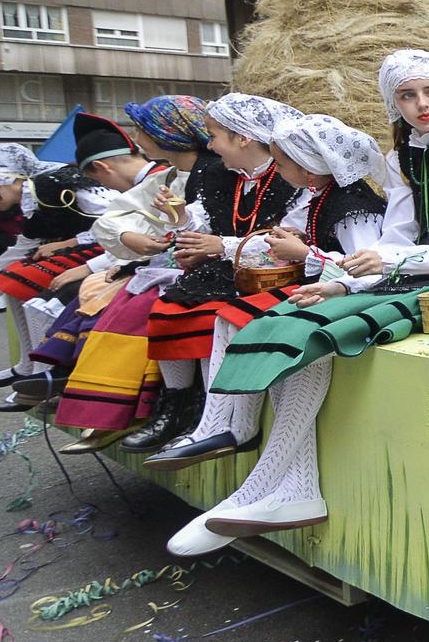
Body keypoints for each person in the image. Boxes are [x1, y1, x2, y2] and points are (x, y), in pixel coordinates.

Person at [197, 51, 429, 413]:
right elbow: (396, 236)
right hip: (415, 267)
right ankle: (226, 425)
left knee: (324, 330)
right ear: (393, 103)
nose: (422, 104)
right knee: (287, 318)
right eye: (407, 95)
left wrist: (384, 262)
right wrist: (342, 283)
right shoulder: (399, 158)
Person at [161, 114, 395, 555]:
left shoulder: (352, 206)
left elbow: (367, 268)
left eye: (283, 163)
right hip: (331, 286)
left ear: (308, 167)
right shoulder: (320, 197)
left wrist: (304, 253)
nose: (278, 171)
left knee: (291, 337)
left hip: (363, 291)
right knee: (240, 319)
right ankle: (246, 446)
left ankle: (265, 484)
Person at [137, 94, 303, 463]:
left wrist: (221, 245)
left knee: (211, 316)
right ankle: (178, 405)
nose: (209, 145)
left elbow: (291, 240)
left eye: (214, 135)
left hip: (269, 271)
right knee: (168, 307)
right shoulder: (219, 174)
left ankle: (211, 417)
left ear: (243, 138)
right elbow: (205, 218)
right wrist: (180, 216)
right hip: (228, 265)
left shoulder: (290, 175)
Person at [51, 98, 214, 449]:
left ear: (165, 133)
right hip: (176, 262)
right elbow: (114, 219)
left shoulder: (212, 171)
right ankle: (123, 409)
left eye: (142, 130)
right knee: (121, 303)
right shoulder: (170, 174)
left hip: (206, 264)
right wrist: (129, 237)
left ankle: (152, 409)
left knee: (136, 307)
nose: (137, 138)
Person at [0, 117, 154, 408]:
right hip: (99, 248)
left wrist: (70, 244)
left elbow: (111, 222)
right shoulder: (21, 203)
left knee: (46, 298)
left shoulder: (56, 184)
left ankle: (45, 375)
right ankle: (28, 367)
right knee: (10, 277)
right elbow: (20, 247)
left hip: (99, 247)